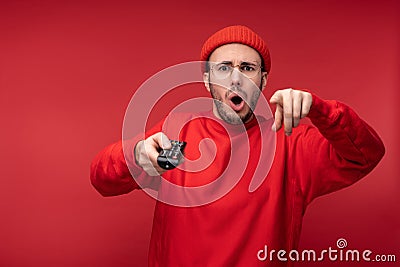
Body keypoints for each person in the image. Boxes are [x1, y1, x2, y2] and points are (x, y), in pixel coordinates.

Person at [90, 25, 385, 266]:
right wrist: (135, 155)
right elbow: (102, 180)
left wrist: (322, 110)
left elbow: (365, 156)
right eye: (223, 68)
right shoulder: (178, 130)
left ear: (263, 79)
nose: (236, 78)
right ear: (206, 80)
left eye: (247, 68)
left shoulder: (291, 142)